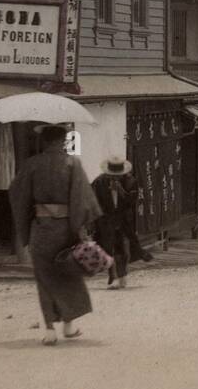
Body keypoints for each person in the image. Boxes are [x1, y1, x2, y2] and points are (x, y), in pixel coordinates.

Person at [9, 124, 101, 345]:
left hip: (41, 229)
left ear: (44, 141)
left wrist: (27, 223)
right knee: (69, 274)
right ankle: (69, 326)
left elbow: (18, 195)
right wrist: (80, 228)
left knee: (45, 277)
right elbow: (82, 198)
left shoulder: (32, 164)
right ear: (63, 141)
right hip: (66, 229)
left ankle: (49, 330)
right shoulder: (72, 164)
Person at [92, 156, 135, 289]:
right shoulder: (99, 182)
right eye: (112, 176)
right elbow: (93, 202)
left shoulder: (129, 181)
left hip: (123, 219)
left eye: (118, 175)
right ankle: (114, 277)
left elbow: (132, 201)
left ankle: (122, 276)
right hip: (106, 219)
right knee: (108, 248)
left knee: (123, 248)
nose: (115, 178)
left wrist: (121, 191)